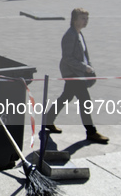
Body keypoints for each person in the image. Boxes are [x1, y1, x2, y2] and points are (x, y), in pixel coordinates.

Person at [46, 8, 109, 144]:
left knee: (65, 97)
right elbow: (67, 58)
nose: (85, 21)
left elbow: (84, 55)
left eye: (87, 18)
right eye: (83, 18)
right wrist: (84, 67)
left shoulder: (78, 33)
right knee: (85, 101)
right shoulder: (70, 35)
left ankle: (48, 120)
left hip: (78, 73)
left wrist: (89, 66)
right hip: (73, 74)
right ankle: (91, 132)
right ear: (74, 20)